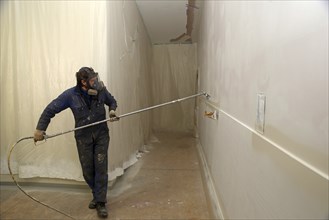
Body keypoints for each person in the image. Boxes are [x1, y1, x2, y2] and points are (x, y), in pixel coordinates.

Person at [34, 67, 118, 218]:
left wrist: (112, 111)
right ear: (83, 82)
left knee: (100, 167)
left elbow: (112, 101)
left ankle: (101, 202)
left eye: (95, 78)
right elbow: (49, 110)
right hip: (83, 137)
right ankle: (96, 194)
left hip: (101, 135)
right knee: (88, 170)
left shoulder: (101, 90)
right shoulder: (70, 95)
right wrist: (40, 129)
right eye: (92, 80)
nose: (96, 82)